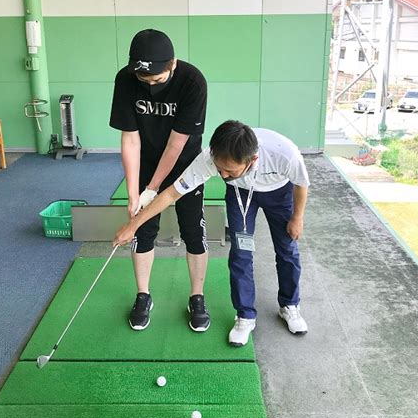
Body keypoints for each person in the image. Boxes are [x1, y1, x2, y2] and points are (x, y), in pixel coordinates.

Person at [113, 120, 310, 346]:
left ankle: (290, 306)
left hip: (279, 192)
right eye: (219, 169)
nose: (223, 175)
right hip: (241, 194)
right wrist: (133, 225)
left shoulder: (285, 154)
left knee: (287, 249)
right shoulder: (209, 159)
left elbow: (301, 183)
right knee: (241, 253)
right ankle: (245, 315)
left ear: (252, 160)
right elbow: (170, 195)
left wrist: (298, 217)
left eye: (229, 170)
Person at [109, 29, 209, 332]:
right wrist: (133, 194)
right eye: (144, 81)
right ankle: (143, 295)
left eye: (157, 80)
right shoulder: (126, 79)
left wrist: (153, 190)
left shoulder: (193, 81)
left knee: (193, 229)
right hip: (147, 158)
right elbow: (130, 139)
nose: (151, 87)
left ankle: (197, 296)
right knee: (142, 228)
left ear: (173, 65)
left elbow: (175, 145)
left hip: (185, 163)